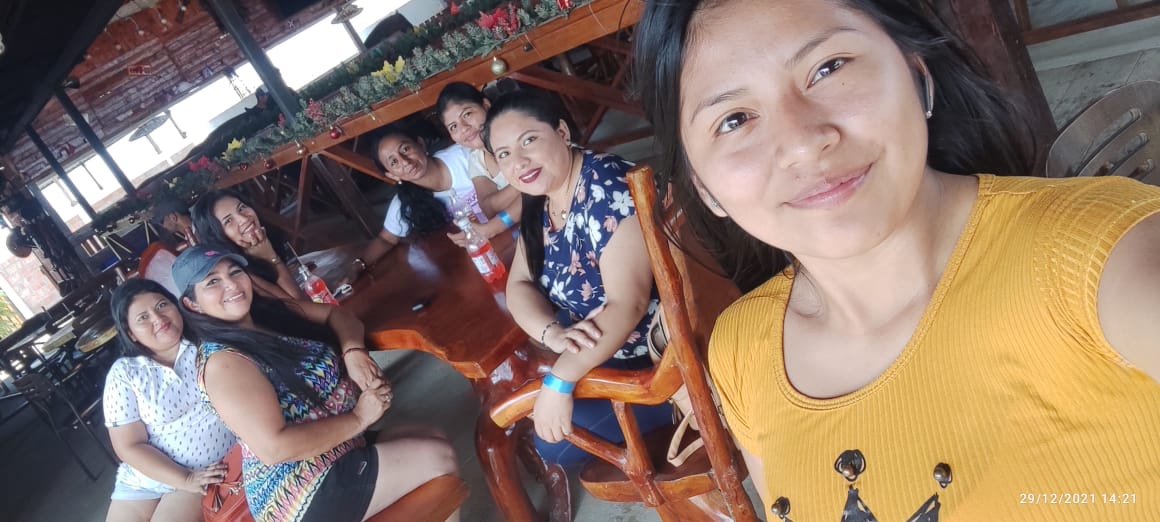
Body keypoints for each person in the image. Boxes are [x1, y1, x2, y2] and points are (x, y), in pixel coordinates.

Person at [633, 0, 1160, 519]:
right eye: (734, 120)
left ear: (916, 72)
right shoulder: (740, 350)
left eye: (828, 68)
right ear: (704, 186)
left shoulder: (1097, 257)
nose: (803, 144)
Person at [174, 245, 459, 522]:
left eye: (235, 272)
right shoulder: (224, 363)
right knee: (437, 457)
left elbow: (337, 314)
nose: (231, 285)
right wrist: (359, 417)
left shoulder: (266, 315)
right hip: (297, 492)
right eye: (212, 282)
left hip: (336, 449)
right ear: (192, 304)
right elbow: (274, 448)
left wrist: (353, 352)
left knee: (431, 435)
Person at [482, 91, 673, 468]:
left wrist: (559, 380)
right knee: (531, 404)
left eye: (529, 140)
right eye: (504, 154)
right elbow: (518, 284)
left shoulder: (607, 186)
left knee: (551, 444)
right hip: (602, 347)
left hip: (657, 362)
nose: (518, 162)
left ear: (562, 132)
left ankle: (676, 417)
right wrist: (552, 333)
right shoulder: (541, 197)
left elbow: (628, 304)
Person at [103, 278, 235, 522]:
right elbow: (128, 445)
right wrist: (183, 478)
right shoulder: (125, 373)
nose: (158, 318)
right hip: (143, 480)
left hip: (201, 474)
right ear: (131, 333)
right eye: (143, 317)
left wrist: (188, 479)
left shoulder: (206, 345)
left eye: (162, 305)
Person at [345, 127, 506, 281]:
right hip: (477, 261)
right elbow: (386, 239)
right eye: (394, 162)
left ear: (420, 144)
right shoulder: (405, 202)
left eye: (405, 149)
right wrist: (357, 266)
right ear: (392, 175)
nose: (405, 162)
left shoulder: (464, 155)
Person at [436, 82, 522, 241]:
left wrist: (493, 227)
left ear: (486, 105)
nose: (464, 128)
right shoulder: (476, 158)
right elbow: (487, 207)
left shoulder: (517, 132)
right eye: (453, 126)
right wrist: (522, 183)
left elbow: (540, 188)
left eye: (467, 114)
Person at [190, 189, 305, 301]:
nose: (244, 219)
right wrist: (272, 259)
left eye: (241, 208)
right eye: (228, 221)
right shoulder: (238, 272)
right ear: (216, 236)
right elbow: (300, 306)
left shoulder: (264, 236)